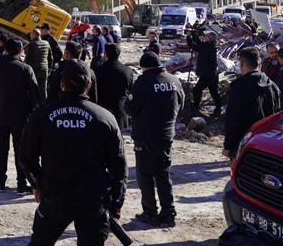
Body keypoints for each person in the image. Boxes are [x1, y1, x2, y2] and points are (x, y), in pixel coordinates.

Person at [19, 60, 126, 246]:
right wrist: (116, 201)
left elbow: (25, 158)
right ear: (89, 85)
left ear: (61, 84)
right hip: (92, 200)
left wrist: (37, 184)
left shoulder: (41, 115)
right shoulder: (105, 117)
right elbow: (119, 164)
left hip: (54, 197)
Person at [124, 51, 184, 227]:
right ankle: (169, 212)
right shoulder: (174, 81)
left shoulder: (143, 83)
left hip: (145, 137)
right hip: (166, 136)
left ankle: (149, 212)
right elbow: (180, 105)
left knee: (145, 176)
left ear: (144, 67)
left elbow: (130, 109)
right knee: (163, 174)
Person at [0, 37, 40, 194]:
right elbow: (35, 95)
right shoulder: (26, 69)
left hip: (0, 113)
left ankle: (0, 182)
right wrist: (30, 111)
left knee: (2, 148)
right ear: (20, 51)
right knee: (20, 150)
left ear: (5, 49)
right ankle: (21, 184)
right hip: (20, 116)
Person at [223, 47, 280, 161]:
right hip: (265, 142)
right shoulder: (272, 85)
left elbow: (233, 118)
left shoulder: (239, 87)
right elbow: (277, 114)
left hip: (244, 143)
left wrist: (228, 146)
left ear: (241, 62)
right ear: (259, 64)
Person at [94, 43, 135, 130]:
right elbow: (131, 93)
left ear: (105, 55)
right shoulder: (128, 71)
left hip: (102, 112)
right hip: (121, 113)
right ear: (118, 55)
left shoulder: (98, 71)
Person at [187, 30, 222, 115]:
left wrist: (188, 37)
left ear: (209, 38)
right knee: (214, 91)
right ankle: (218, 109)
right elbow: (200, 45)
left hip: (207, 73)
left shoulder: (206, 47)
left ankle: (196, 105)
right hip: (213, 72)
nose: (204, 37)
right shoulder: (210, 46)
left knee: (197, 90)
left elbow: (193, 46)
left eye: (206, 36)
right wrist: (195, 37)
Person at [24, 28, 51, 104]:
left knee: (31, 90)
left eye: (30, 34)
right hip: (44, 70)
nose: (30, 35)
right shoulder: (46, 43)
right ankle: (45, 108)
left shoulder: (31, 45)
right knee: (43, 90)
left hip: (34, 70)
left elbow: (28, 60)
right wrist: (49, 70)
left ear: (33, 35)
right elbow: (50, 58)